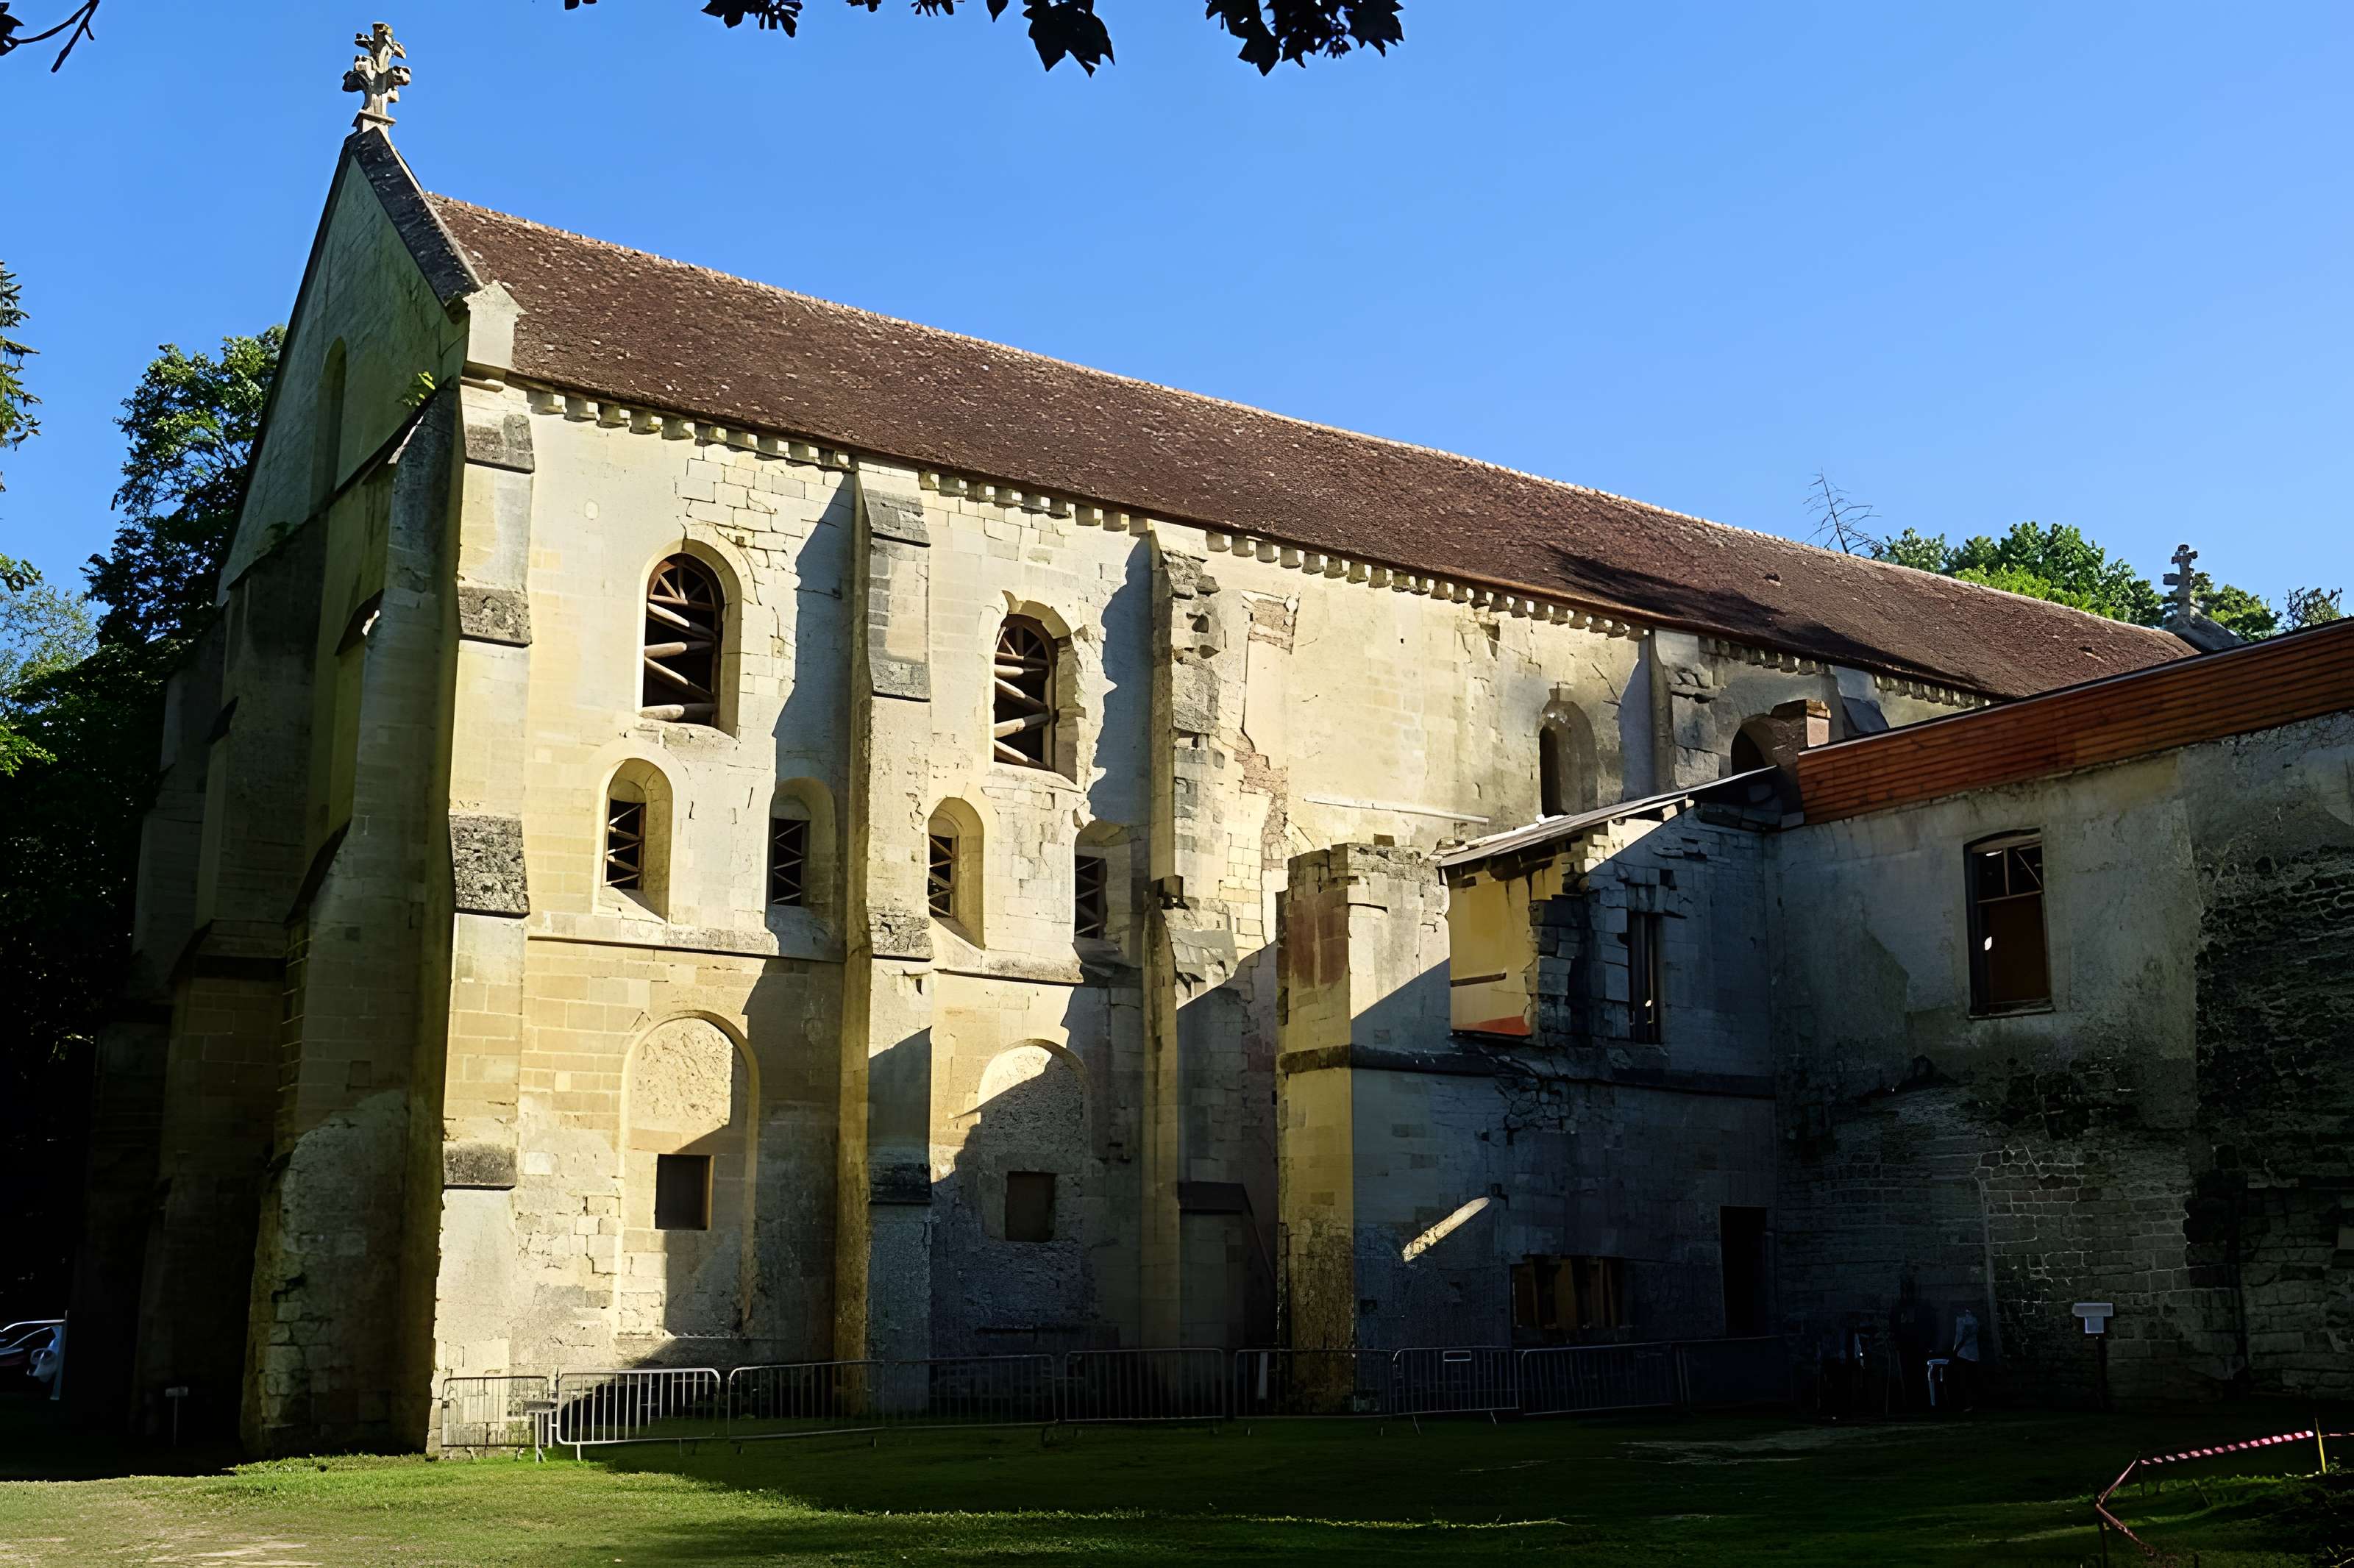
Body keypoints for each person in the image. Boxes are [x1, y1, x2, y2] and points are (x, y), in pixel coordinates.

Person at [1949, 1305, 1981, 1411]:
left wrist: (1956, 1349)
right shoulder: (1963, 1319)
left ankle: (1969, 1404)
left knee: (1966, 1380)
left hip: (1966, 1354)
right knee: (1965, 1379)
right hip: (1964, 1353)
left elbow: (1965, 1337)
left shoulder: (1969, 1321)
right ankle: (1967, 1403)